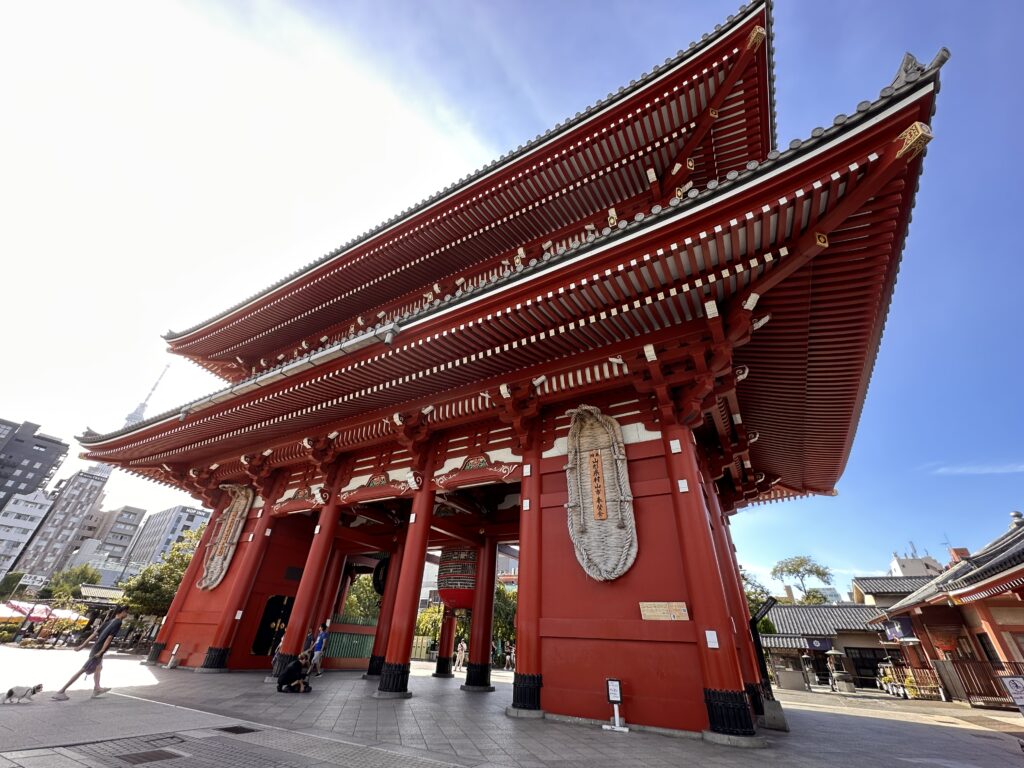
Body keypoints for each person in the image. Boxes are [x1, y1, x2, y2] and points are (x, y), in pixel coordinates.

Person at [52, 606, 129, 701]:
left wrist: (82, 645)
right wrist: (101, 651)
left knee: (99, 667)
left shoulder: (109, 621)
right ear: (120, 612)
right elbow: (109, 638)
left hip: (96, 648)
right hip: (98, 650)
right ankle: (61, 691)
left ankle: (97, 688)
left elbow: (94, 634)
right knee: (83, 670)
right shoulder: (118, 622)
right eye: (125, 612)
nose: (126, 614)